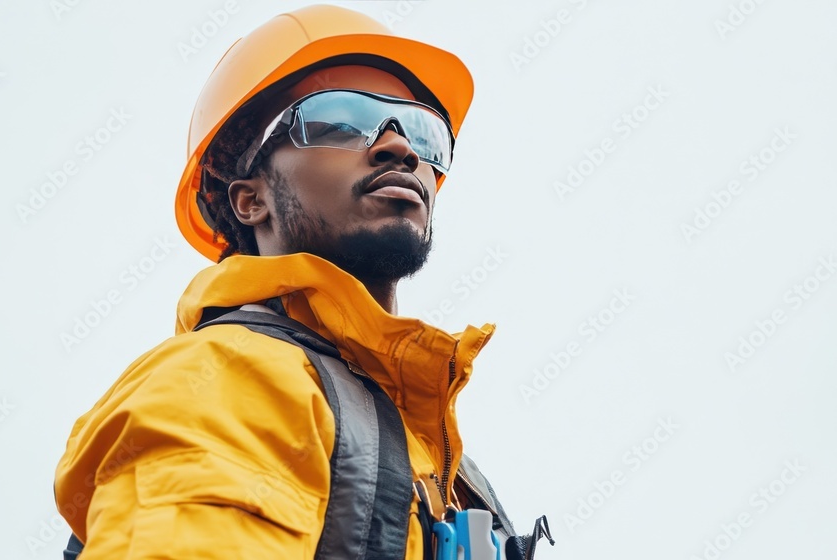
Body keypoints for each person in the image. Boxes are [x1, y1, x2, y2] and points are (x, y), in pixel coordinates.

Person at [55, 5, 551, 559]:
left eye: (422, 132)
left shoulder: (449, 472)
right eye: (339, 119)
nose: (402, 149)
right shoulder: (225, 378)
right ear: (250, 200)